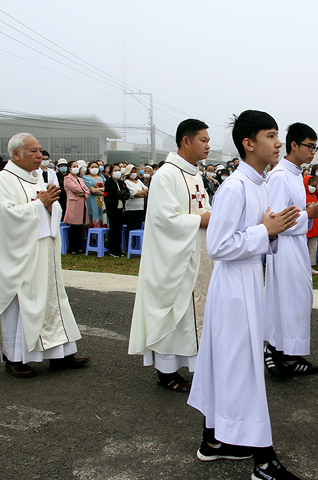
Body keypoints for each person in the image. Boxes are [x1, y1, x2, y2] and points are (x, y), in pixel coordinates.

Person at [187, 110, 302, 480]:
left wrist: (272, 230)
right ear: (248, 143)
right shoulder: (235, 186)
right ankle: (264, 462)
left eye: (278, 135)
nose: (278, 143)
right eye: (271, 136)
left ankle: (213, 441)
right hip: (233, 288)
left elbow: (254, 237)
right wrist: (265, 231)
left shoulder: (261, 183)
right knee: (243, 369)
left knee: (231, 362)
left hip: (249, 280)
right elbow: (218, 246)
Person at [0, 133, 89, 377]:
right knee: (22, 303)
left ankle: (59, 354)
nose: (40, 156)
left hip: (43, 250)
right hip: (20, 255)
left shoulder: (36, 177)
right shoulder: (4, 180)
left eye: (40, 150)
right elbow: (7, 217)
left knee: (52, 299)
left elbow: (50, 206)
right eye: (33, 151)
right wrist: (40, 204)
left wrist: (49, 204)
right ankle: (15, 358)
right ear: (16, 154)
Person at [129, 119, 214, 392]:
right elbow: (163, 219)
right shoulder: (166, 175)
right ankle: (166, 372)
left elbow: (204, 209)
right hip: (175, 258)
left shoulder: (195, 174)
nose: (208, 145)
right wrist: (200, 221)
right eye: (203, 140)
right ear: (186, 141)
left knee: (193, 314)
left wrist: (209, 219)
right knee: (173, 313)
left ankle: (195, 367)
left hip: (198, 254)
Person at [263, 122, 318, 378]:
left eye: (315, 147)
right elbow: (276, 220)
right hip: (285, 249)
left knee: (298, 300)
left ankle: (287, 352)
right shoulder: (280, 175)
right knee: (287, 301)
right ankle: (278, 352)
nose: (313, 151)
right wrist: (308, 214)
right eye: (309, 146)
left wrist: (310, 214)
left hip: (297, 245)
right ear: (294, 145)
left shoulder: (295, 174)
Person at [62, 161, 89, 254]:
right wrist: (82, 192)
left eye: (77, 166)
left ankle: (79, 246)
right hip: (74, 204)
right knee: (74, 226)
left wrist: (83, 193)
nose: (76, 168)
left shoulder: (80, 179)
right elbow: (75, 188)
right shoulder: (67, 178)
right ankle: (73, 247)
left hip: (82, 203)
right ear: (69, 168)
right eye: (74, 166)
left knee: (79, 226)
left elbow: (86, 189)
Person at [103, 164, 129, 257]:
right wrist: (121, 193)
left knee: (119, 229)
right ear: (111, 172)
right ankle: (113, 249)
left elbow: (127, 193)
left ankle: (119, 248)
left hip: (121, 208)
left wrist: (122, 193)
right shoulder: (109, 182)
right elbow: (113, 193)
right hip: (112, 208)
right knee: (114, 229)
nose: (118, 171)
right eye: (116, 170)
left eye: (119, 169)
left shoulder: (121, 182)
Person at [304, 175, 318, 274]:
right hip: (306, 225)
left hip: (315, 225)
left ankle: (311, 265)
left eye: (315, 186)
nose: (313, 188)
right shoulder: (302, 196)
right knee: (304, 246)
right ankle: (303, 265)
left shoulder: (314, 196)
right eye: (311, 185)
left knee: (313, 246)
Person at [124, 165, 148, 231]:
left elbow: (146, 189)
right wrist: (142, 193)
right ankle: (129, 240)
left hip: (140, 207)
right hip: (131, 208)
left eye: (135, 171)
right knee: (131, 227)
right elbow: (134, 194)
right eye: (132, 172)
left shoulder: (139, 181)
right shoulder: (127, 182)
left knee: (138, 227)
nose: (134, 173)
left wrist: (140, 193)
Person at [83, 160, 106, 228]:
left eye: (96, 166)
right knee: (94, 215)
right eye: (92, 167)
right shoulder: (86, 178)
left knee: (103, 216)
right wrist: (102, 190)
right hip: (92, 201)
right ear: (89, 168)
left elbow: (106, 189)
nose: (94, 168)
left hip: (102, 200)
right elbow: (92, 190)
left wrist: (98, 189)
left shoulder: (102, 177)